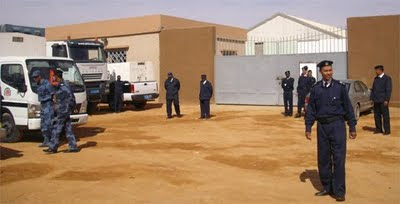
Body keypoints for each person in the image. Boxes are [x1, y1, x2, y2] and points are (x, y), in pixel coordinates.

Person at [305, 60, 357, 202]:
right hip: (322, 127)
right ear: (321, 72)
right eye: (326, 71)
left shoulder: (340, 88)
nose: (328, 73)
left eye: (330, 70)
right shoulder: (316, 89)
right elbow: (311, 110)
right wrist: (308, 127)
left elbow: (348, 108)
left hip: (337, 126)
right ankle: (327, 187)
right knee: (323, 159)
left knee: (339, 159)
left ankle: (339, 191)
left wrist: (352, 126)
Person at [44, 70, 79, 154]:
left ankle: (53, 147)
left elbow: (70, 97)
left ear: (56, 76)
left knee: (57, 128)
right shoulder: (60, 85)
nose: (53, 77)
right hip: (64, 110)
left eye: (54, 76)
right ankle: (73, 146)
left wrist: (69, 107)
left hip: (63, 110)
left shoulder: (63, 86)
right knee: (68, 128)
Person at [32, 70, 55, 147]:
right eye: (34, 78)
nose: (35, 79)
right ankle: (46, 140)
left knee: (49, 123)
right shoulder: (38, 84)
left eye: (36, 77)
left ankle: (52, 141)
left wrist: (55, 105)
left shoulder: (47, 84)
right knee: (43, 124)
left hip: (48, 104)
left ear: (39, 76)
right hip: (42, 105)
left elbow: (53, 94)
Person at [370, 65, 392, 135]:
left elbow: (388, 90)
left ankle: (387, 130)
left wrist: (386, 100)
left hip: (383, 101)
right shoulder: (375, 79)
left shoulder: (387, 78)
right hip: (376, 100)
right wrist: (372, 98)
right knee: (377, 116)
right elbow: (373, 89)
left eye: (376, 70)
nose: (376, 72)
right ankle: (378, 129)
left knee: (385, 116)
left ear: (380, 70)